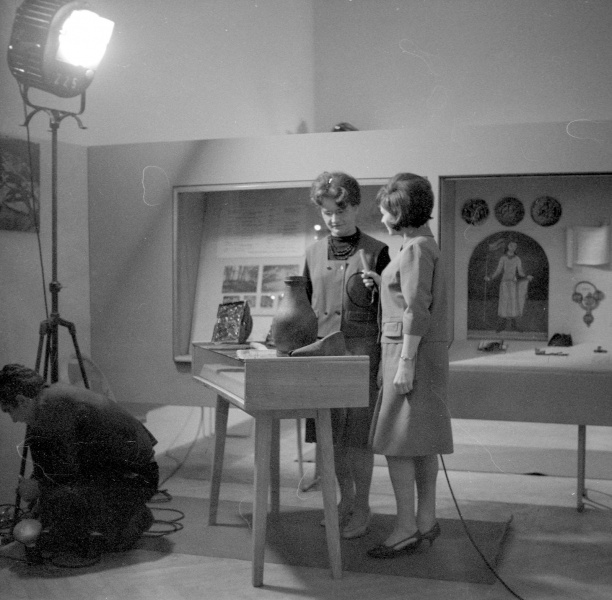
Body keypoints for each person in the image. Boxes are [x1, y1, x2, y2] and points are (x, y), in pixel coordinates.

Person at [362, 173, 453, 559]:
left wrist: (405, 364)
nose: (383, 217)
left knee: (397, 444)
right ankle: (426, 521)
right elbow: (410, 298)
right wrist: (382, 281)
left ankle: (404, 528)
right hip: (416, 353)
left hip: (407, 353)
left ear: (400, 212)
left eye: (386, 210)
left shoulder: (415, 249)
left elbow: (417, 309)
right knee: (421, 441)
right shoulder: (423, 245)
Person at [303, 171, 390, 539]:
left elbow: (392, 310)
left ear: (355, 207)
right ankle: (345, 500)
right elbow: (305, 305)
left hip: (361, 356)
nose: (334, 219)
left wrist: (381, 288)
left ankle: (363, 506)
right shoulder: (311, 253)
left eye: (340, 211)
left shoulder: (377, 251)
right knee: (331, 437)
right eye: (327, 213)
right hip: (324, 356)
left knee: (358, 439)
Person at [0, 364, 159, 558]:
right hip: (127, 471)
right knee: (58, 503)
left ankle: (133, 519)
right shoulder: (48, 400)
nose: (13, 419)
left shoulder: (53, 410)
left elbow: (66, 471)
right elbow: (53, 465)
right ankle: (121, 516)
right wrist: (38, 486)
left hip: (138, 480)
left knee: (63, 500)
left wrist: (38, 489)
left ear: (22, 401)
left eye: (9, 411)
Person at [485, 240, 533, 332]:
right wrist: (490, 277)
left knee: (513, 303)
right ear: (508, 246)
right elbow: (498, 271)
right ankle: (502, 325)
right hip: (504, 283)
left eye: (515, 246)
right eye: (511, 245)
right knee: (504, 302)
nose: (513, 247)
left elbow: (520, 272)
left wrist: (527, 276)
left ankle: (514, 325)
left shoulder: (517, 259)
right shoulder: (503, 258)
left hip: (513, 283)